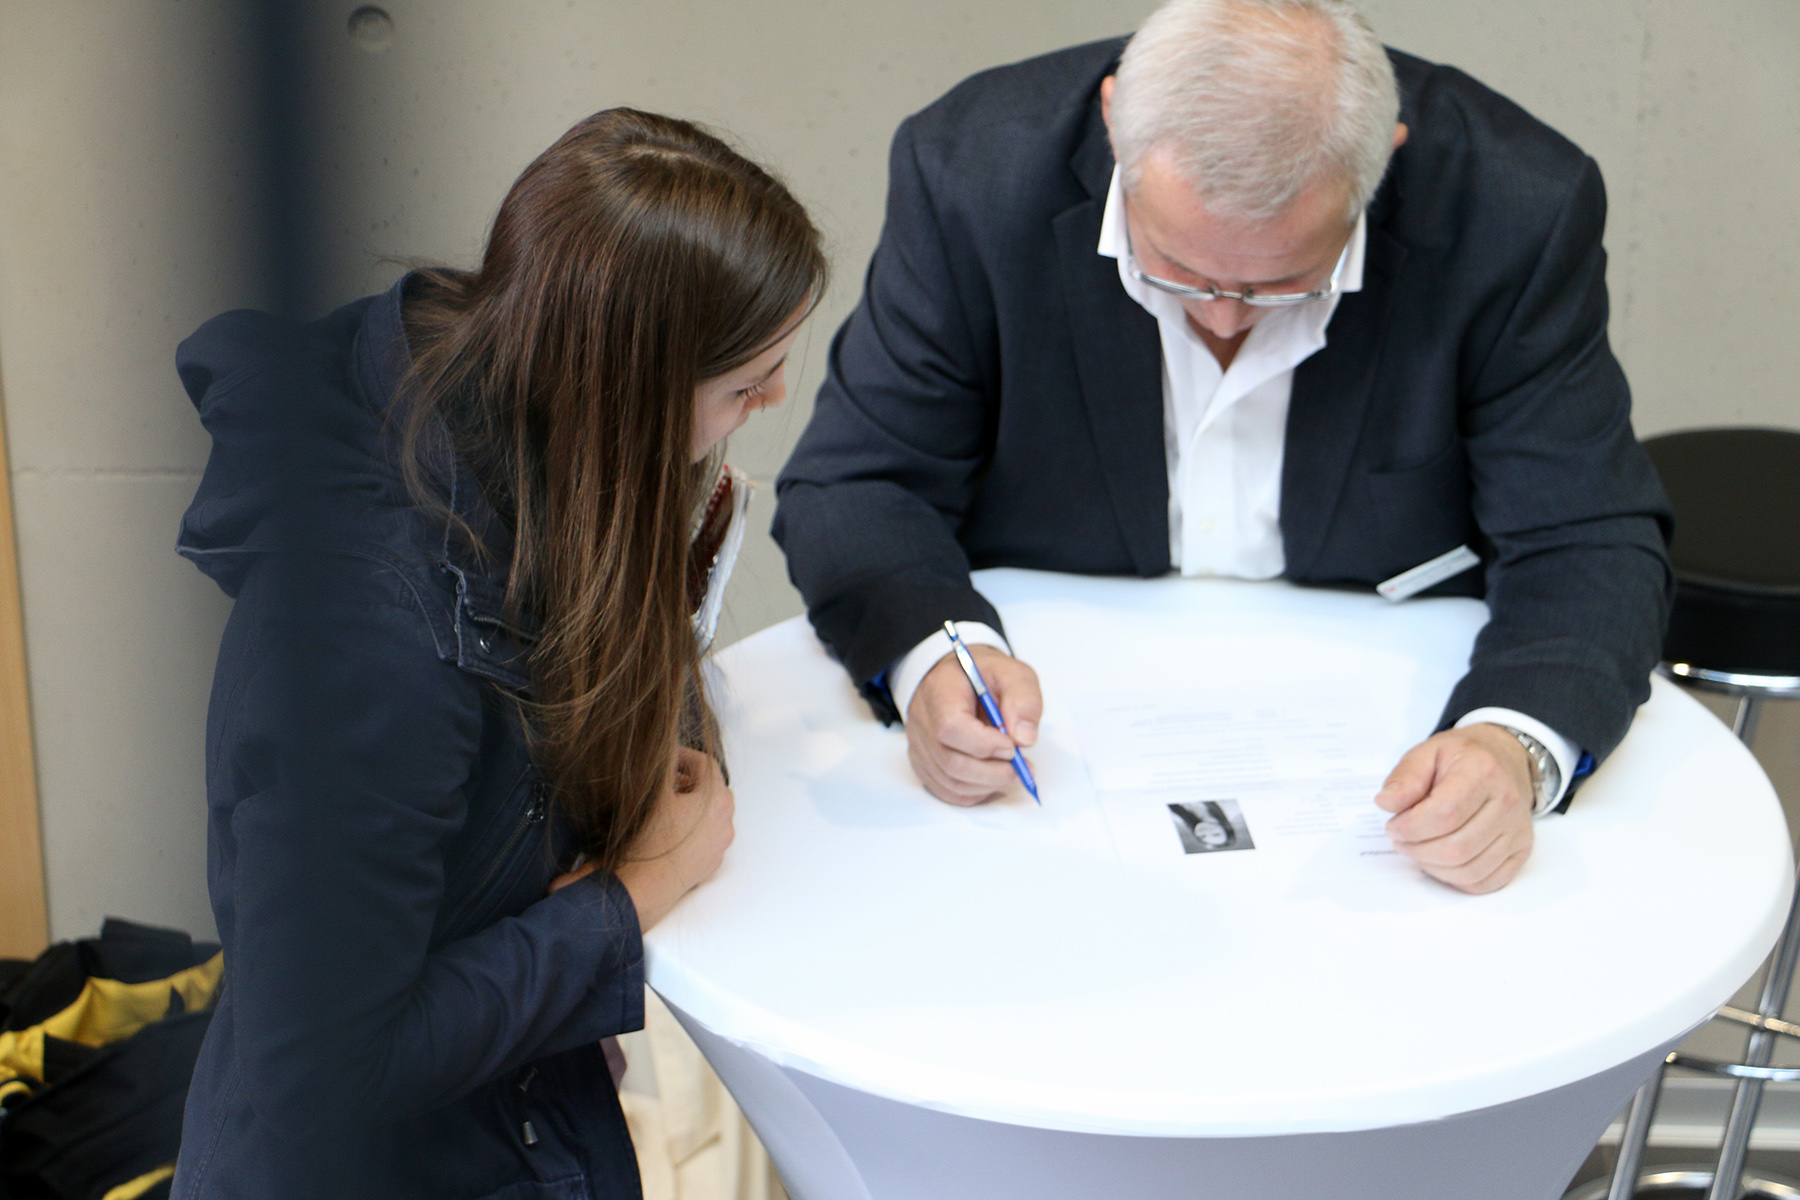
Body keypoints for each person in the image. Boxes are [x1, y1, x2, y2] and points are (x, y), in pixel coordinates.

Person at [773, 0, 1671, 895]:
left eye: (1283, 284)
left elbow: (1584, 537)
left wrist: (1512, 743)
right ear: (1116, 125)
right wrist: (936, 659)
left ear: (1382, 162)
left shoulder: (1517, 207)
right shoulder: (973, 172)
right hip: (1052, 753)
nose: (1222, 315)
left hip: (1377, 744)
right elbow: (860, 482)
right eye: (1171, 267)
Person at [170, 108, 825, 1199]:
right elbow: (325, 1069)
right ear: (631, 394)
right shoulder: (374, 647)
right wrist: (626, 898)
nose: (775, 402)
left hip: (519, 1111)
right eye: (748, 381)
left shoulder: (530, 442)